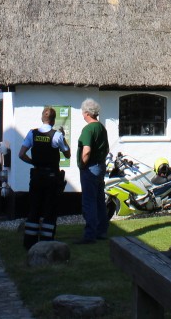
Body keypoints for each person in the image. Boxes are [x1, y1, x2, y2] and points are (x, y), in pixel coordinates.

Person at [19, 108, 70, 248]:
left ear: (42, 118)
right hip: (52, 176)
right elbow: (68, 154)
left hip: (36, 175)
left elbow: (21, 154)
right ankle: (47, 242)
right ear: (53, 121)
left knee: (34, 207)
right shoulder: (57, 135)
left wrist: (34, 162)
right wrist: (63, 138)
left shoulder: (32, 133)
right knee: (50, 208)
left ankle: (29, 242)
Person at [76, 98, 110, 244]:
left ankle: (90, 234)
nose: (83, 115)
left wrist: (83, 165)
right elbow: (107, 148)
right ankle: (102, 231)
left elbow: (86, 151)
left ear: (88, 113)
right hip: (100, 166)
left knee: (89, 201)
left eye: (83, 112)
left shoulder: (88, 129)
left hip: (90, 167)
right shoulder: (102, 128)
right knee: (99, 200)